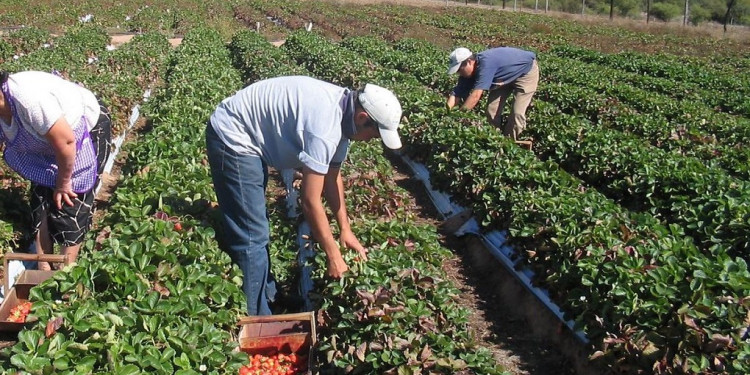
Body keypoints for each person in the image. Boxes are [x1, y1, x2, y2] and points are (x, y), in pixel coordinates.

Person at [206, 75, 403, 315]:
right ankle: (257, 316)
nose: (369, 141)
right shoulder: (325, 127)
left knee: (257, 228)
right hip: (234, 136)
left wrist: (345, 229)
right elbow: (309, 201)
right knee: (251, 235)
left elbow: (332, 177)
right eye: (372, 135)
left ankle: (270, 297)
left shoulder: (343, 118)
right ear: (363, 118)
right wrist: (333, 255)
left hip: (251, 137)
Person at [0, 71, 112, 270]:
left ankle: (64, 274)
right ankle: (44, 272)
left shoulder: (30, 101)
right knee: (41, 197)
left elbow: (67, 142)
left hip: (81, 132)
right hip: (45, 142)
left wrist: (63, 182)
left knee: (71, 200)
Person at [446, 46, 539, 141]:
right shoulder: (466, 73)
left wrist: (458, 116)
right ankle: (494, 140)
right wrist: (446, 113)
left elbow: (475, 96)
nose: (459, 73)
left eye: (459, 70)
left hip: (525, 72)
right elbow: (456, 94)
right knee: (492, 110)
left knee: (517, 113)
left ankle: (510, 142)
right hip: (502, 76)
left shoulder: (485, 66)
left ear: (469, 62)